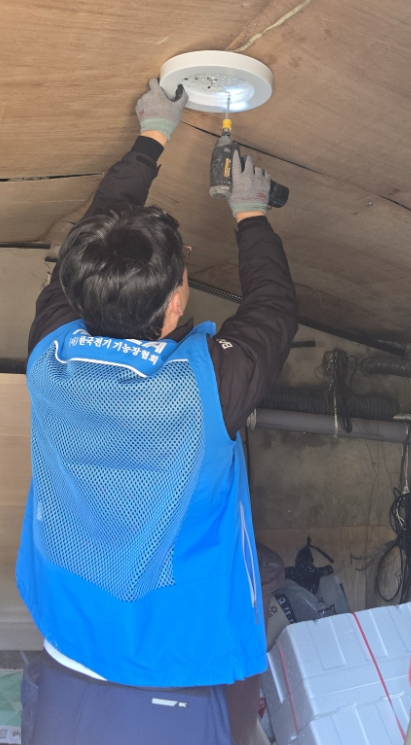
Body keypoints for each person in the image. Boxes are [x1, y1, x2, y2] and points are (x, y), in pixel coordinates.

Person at [16, 78, 297, 745]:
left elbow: (272, 312)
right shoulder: (206, 386)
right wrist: (246, 209)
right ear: (176, 304)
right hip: (173, 656)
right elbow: (273, 310)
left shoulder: (51, 350)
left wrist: (153, 140)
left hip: (70, 630)